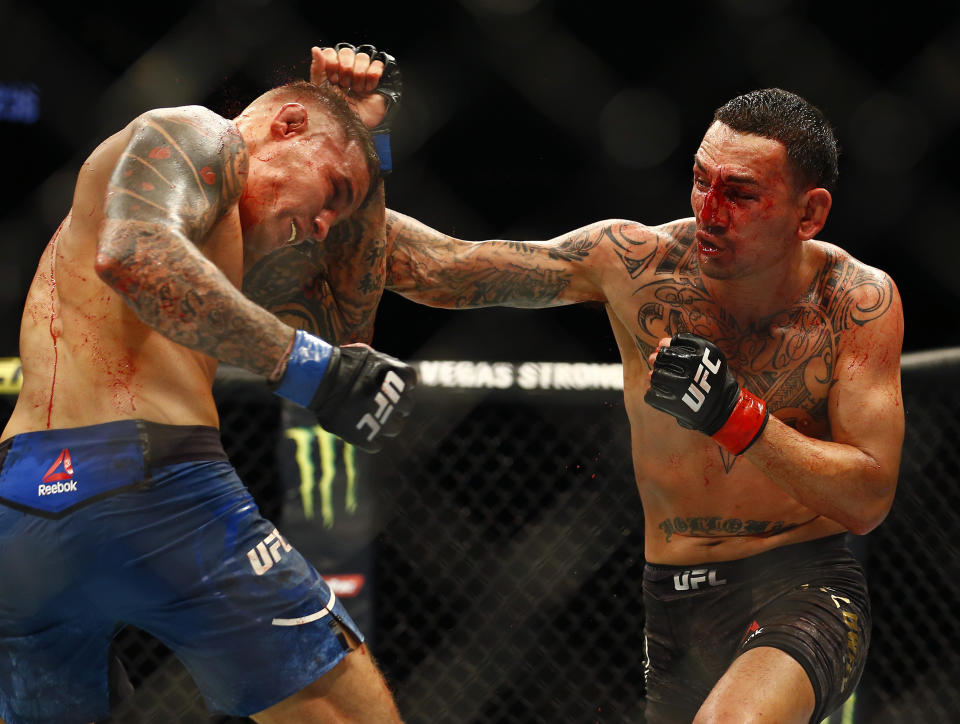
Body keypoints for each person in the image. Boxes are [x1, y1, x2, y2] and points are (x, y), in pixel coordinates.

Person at [382, 88, 904, 723]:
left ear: (809, 212)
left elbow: (868, 499)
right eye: (698, 181)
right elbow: (441, 270)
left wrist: (735, 417)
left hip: (806, 587)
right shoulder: (632, 265)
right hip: (671, 601)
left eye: (739, 193)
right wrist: (355, 142)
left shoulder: (854, 301)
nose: (709, 211)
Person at [0, 45, 415, 724]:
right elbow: (133, 255)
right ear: (285, 125)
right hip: (154, 490)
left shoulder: (214, 248)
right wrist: (312, 371)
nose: (321, 226)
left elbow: (352, 333)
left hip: (22, 514)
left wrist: (364, 139)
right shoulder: (199, 132)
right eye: (331, 193)